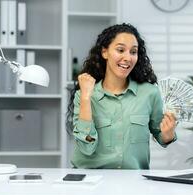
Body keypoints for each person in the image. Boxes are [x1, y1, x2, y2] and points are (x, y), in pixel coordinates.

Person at [67, 23, 177, 169]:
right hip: (92, 181)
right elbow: (86, 148)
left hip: (133, 181)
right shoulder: (85, 95)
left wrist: (168, 134)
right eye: (120, 50)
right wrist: (86, 98)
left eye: (133, 52)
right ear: (104, 52)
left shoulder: (150, 93)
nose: (128, 57)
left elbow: (161, 135)